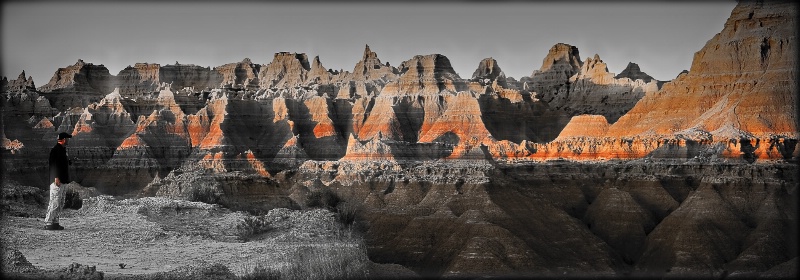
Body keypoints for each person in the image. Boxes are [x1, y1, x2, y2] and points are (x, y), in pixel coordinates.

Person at [44, 132, 71, 230]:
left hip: (63, 180)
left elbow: (62, 163)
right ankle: (48, 222)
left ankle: (55, 222)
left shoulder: (63, 150)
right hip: (57, 181)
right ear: (63, 139)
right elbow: (53, 164)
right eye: (67, 138)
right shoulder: (56, 150)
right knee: (55, 201)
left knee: (60, 202)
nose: (68, 140)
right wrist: (56, 177)